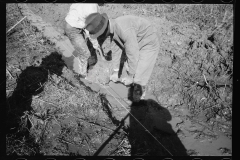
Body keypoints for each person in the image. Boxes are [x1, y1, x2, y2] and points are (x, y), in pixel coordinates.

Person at [84, 13, 160, 99]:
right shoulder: (113, 29)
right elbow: (116, 50)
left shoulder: (123, 30)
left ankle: (139, 97)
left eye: (99, 35)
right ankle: (130, 78)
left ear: (104, 30)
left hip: (148, 41)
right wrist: (116, 72)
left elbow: (133, 54)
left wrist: (130, 76)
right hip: (135, 39)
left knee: (139, 74)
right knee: (129, 65)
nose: (100, 38)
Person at [64, 3, 105, 76]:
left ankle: (88, 64)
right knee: (84, 53)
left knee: (84, 46)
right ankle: (82, 75)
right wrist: (95, 44)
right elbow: (90, 30)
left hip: (73, 23)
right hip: (72, 29)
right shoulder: (92, 8)